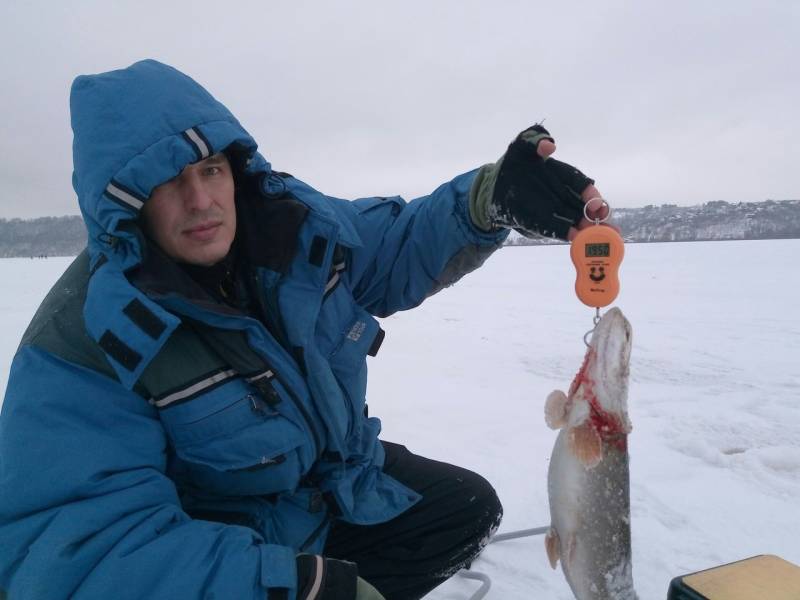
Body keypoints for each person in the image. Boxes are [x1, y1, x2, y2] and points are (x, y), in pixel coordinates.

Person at [0, 60, 607, 600]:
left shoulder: (295, 233)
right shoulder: (82, 343)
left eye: (210, 170)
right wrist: (292, 586)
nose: (200, 200)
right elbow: (81, 551)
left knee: (466, 509)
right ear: (127, 206)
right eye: (166, 182)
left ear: (235, 171)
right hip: (223, 538)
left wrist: (486, 197)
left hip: (327, 487)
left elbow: (392, 244)